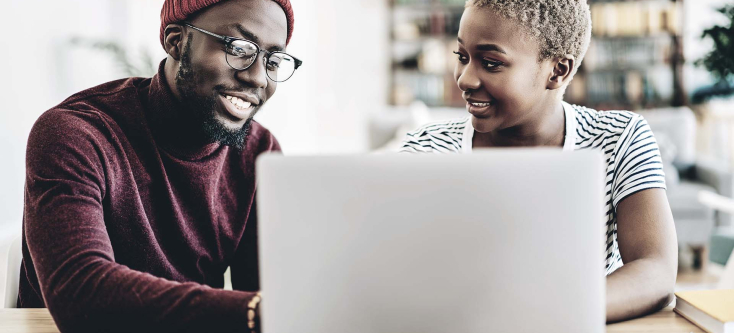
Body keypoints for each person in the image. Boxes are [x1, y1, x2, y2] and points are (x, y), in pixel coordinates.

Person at [18, 0, 300, 332]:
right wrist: (260, 312)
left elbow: (263, 297)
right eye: (239, 48)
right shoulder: (77, 134)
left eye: (273, 60)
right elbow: (81, 294)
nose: (257, 78)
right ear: (176, 41)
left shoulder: (259, 153)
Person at [400, 0, 678, 323]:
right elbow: (397, 274)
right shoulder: (426, 149)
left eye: (490, 63)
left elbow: (655, 270)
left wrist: (541, 315)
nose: (464, 79)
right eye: (462, 57)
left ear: (557, 71)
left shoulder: (619, 140)